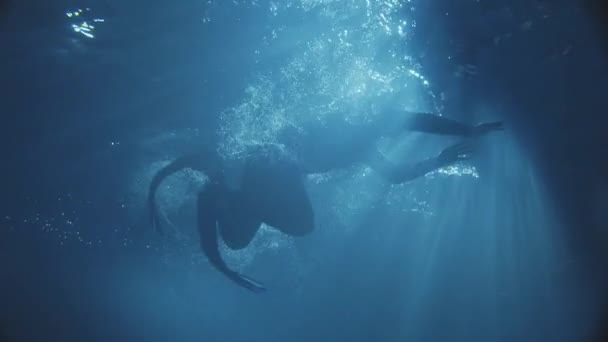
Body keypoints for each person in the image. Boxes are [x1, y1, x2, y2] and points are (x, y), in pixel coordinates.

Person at [148, 109, 503, 292]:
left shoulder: (364, 144)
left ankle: (217, 193)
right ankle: (216, 191)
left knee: (250, 237)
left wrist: (447, 153)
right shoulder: (333, 125)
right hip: (270, 167)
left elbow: (397, 167)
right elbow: (412, 119)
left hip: (270, 179)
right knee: (279, 220)